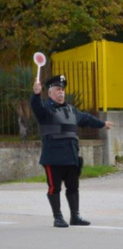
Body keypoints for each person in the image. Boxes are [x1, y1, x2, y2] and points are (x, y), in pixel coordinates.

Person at [31, 75, 113, 228]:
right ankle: (58, 217)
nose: (60, 92)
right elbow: (36, 106)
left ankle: (75, 216)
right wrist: (36, 94)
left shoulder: (71, 110)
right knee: (54, 188)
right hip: (53, 158)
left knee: (73, 187)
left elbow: (87, 118)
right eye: (57, 90)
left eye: (62, 89)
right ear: (49, 93)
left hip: (71, 156)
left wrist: (102, 124)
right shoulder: (45, 111)